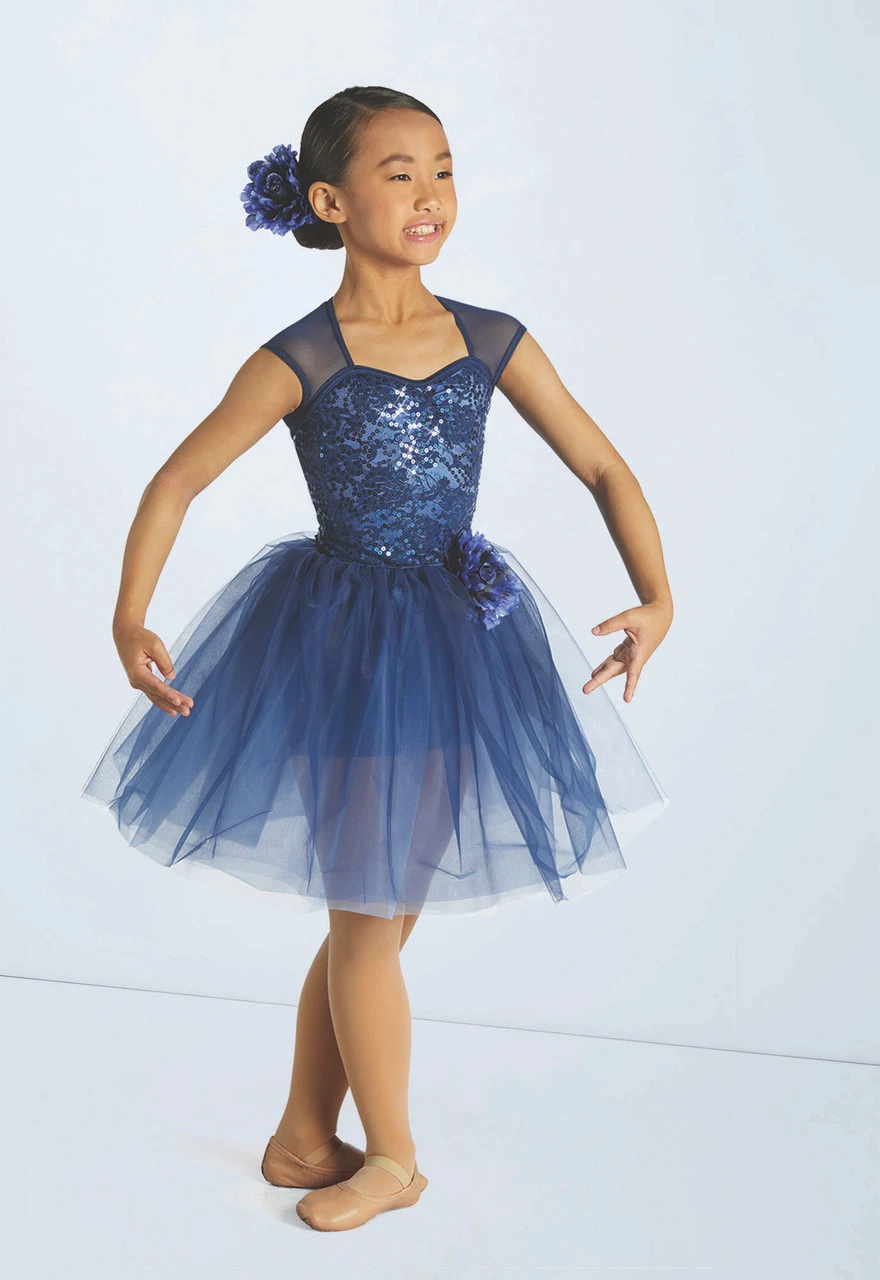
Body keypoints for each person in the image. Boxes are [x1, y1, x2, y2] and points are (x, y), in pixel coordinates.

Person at [80, 85, 673, 1232]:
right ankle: (394, 1157)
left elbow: (603, 465)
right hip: (340, 643)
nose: (430, 193)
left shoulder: (490, 338)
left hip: (458, 640)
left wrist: (657, 594)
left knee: (382, 907)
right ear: (329, 201)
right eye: (399, 173)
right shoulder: (303, 354)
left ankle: (306, 1135)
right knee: (367, 908)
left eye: (443, 168)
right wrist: (128, 614)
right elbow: (177, 478)